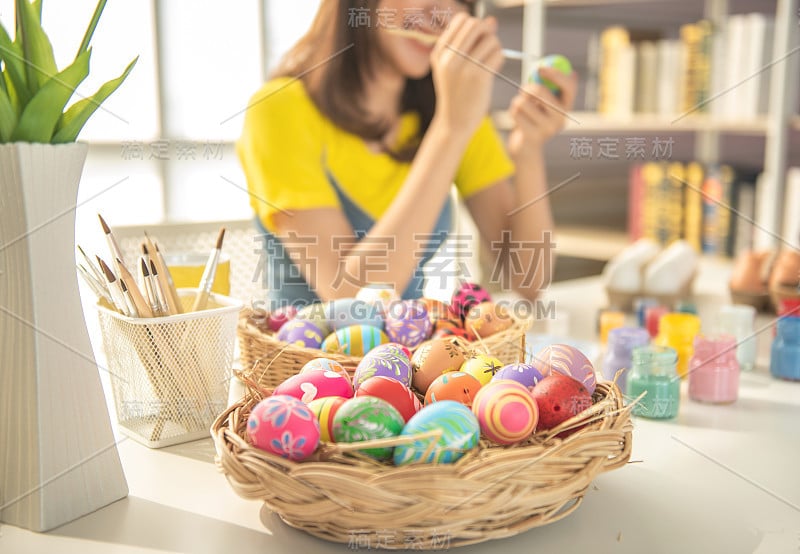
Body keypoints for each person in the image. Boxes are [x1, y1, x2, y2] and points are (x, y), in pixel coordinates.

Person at [238, 0, 577, 309]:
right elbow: (352, 299)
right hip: (303, 368)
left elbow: (526, 280)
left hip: (408, 366)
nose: (441, 14)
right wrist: (451, 128)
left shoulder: (455, 110)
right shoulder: (278, 109)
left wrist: (528, 149)